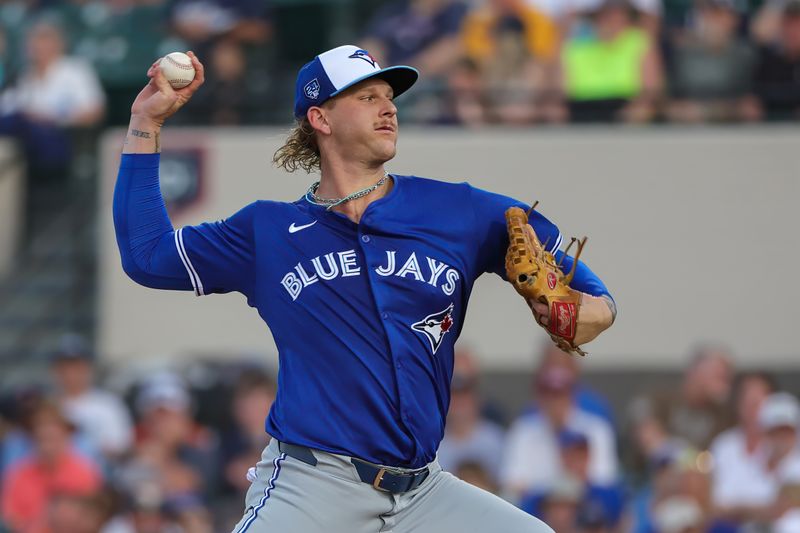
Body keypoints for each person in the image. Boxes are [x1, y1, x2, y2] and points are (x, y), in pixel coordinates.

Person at [112, 44, 616, 532]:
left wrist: (591, 310)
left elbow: (582, 285)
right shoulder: (266, 232)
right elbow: (147, 254)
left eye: (389, 97)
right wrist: (147, 123)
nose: (388, 109)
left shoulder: (458, 212)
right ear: (321, 119)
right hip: (314, 484)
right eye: (367, 97)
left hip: (422, 492)